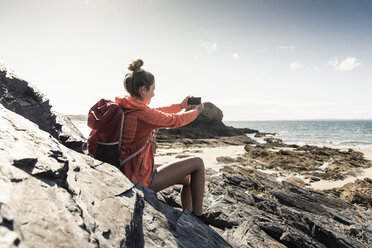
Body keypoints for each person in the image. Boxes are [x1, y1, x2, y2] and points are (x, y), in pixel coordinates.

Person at [115, 58, 206, 218]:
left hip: (128, 169)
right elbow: (174, 121)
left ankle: (188, 216)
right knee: (198, 162)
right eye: (152, 89)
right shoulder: (143, 114)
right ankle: (199, 217)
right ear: (143, 90)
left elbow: (157, 111)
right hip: (140, 180)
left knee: (186, 179)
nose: (154, 93)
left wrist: (180, 107)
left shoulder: (126, 107)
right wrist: (195, 112)